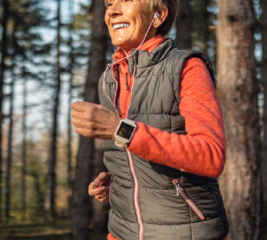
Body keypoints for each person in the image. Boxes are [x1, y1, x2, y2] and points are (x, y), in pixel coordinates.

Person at [70, 0, 228, 239]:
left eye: (125, 1)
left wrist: (120, 129)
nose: (112, 11)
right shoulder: (108, 79)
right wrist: (119, 180)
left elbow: (211, 156)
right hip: (121, 232)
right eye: (110, 3)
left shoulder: (187, 67)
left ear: (158, 15)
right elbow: (142, 156)